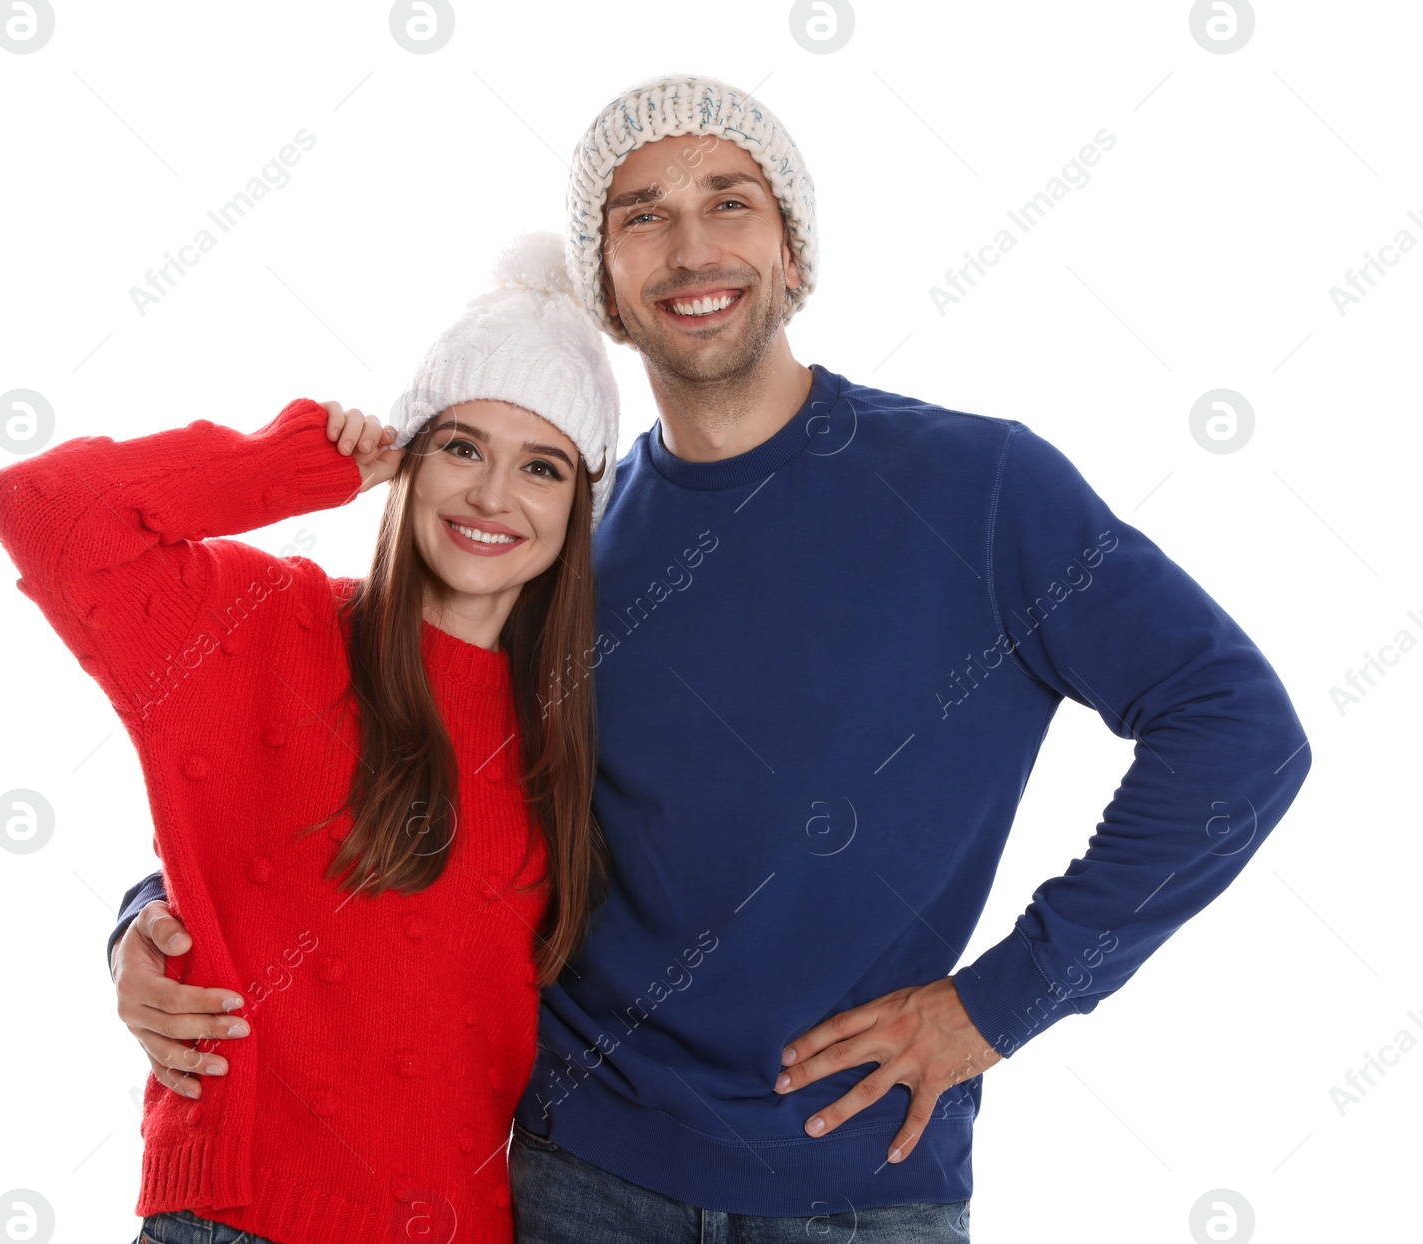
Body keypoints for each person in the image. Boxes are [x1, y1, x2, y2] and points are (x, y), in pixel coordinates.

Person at [106, 75, 1313, 1242]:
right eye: (643, 216)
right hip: (579, 1177)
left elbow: (1234, 725)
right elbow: (359, 751)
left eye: (728, 200)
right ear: (608, 287)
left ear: (793, 254)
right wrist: (149, 917)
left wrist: (1002, 999)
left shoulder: (983, 488)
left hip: (865, 1182)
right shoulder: (555, 548)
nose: (690, 248)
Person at [0, 231, 621, 1244]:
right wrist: (297, 465)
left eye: (539, 465)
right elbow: (47, 509)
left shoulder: (577, 728)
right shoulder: (259, 625)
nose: (493, 495)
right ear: (408, 456)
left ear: (578, 504)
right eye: (459, 445)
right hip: (233, 1217)